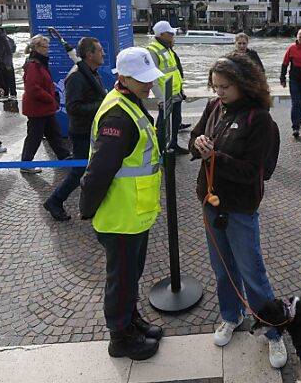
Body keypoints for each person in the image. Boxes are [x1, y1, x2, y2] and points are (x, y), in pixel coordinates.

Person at [189, 54, 287, 370]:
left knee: (252, 272)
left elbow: (255, 172)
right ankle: (232, 316)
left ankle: (273, 330)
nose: (219, 93)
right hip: (210, 201)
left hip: (240, 208)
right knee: (223, 270)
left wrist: (215, 156)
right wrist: (199, 144)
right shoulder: (215, 107)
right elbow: (193, 140)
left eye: (225, 87)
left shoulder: (259, 120)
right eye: (215, 86)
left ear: (244, 84)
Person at [79, 47, 165, 361]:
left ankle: (132, 321)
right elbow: (99, 170)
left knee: (131, 276)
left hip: (134, 213)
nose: (148, 85)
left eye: (150, 78)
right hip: (120, 215)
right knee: (121, 279)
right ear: (122, 77)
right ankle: (120, 338)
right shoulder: (118, 114)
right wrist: (87, 209)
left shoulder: (130, 102)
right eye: (141, 79)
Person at [43, 37, 107, 221]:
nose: (103, 53)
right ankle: (54, 201)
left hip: (92, 130)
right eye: (100, 50)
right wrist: (100, 105)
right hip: (82, 132)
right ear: (89, 54)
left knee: (90, 169)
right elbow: (73, 108)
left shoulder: (91, 72)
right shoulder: (77, 76)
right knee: (79, 170)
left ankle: (93, 203)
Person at [20, 35, 72, 174]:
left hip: (44, 108)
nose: (48, 50)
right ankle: (25, 163)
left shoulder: (39, 62)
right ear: (37, 47)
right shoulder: (33, 65)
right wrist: (50, 98)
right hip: (37, 108)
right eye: (45, 47)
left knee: (54, 133)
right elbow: (33, 88)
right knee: (34, 136)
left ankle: (64, 156)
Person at [147, 21, 188, 154]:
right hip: (165, 94)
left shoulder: (166, 48)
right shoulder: (153, 51)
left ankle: (173, 144)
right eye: (170, 33)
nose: (173, 35)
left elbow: (174, 70)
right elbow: (152, 78)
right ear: (161, 34)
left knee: (175, 121)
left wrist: (181, 90)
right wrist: (160, 98)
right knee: (164, 125)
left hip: (174, 92)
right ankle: (162, 150)